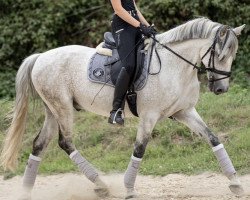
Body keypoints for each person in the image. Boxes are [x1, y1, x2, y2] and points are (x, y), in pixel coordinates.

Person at [108, 0, 155, 125]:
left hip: (134, 24)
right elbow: (119, 9)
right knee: (129, 65)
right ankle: (115, 111)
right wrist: (140, 26)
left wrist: (147, 26)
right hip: (122, 26)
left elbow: (134, 9)